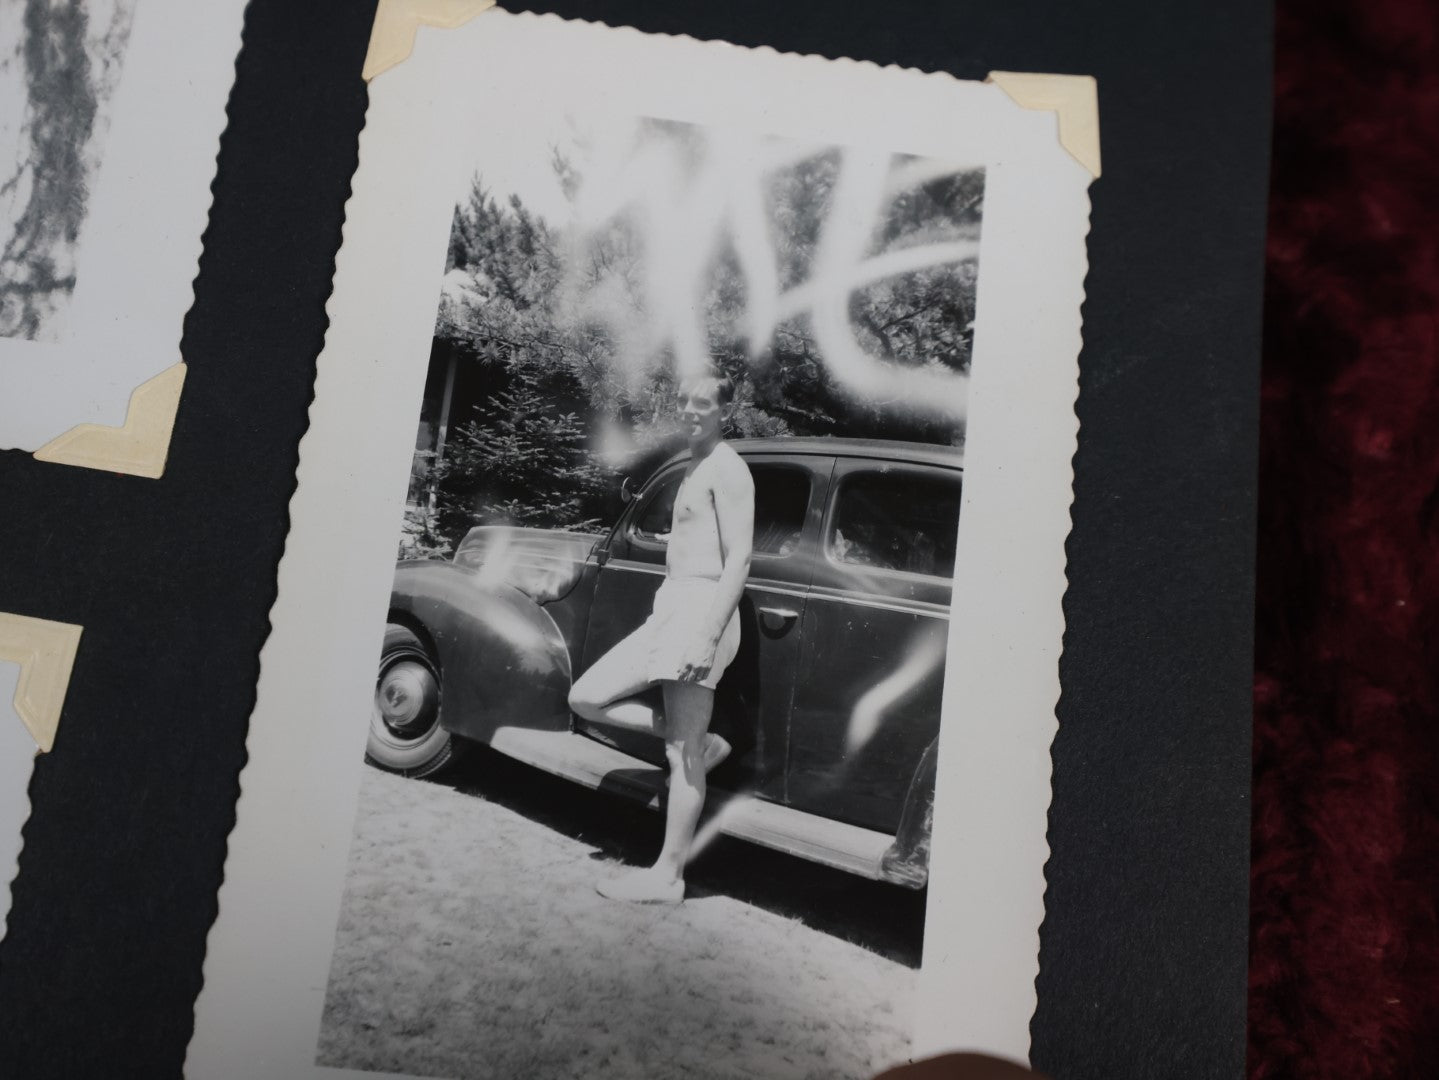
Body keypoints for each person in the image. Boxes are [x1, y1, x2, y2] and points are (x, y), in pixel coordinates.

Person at [568, 370, 755, 903]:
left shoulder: (730, 469)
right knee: (585, 696)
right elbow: (703, 538)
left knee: (683, 757)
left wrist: (707, 636)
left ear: (726, 411)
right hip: (672, 608)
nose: (692, 411)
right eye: (686, 402)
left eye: (704, 404)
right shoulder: (696, 465)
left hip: (702, 613)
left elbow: (739, 558)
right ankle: (700, 739)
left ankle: (668, 877)